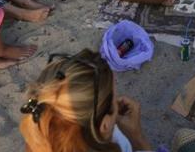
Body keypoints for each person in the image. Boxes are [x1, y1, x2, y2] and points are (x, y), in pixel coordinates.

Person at [20, 49, 152, 152]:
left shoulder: (40, 135)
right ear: (104, 125)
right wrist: (137, 138)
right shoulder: (118, 143)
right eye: (113, 98)